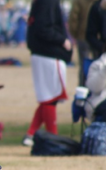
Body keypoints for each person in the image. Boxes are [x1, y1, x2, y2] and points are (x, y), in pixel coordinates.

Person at [22, 0, 72, 147]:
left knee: (47, 97)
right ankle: (53, 138)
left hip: (42, 53)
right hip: (48, 54)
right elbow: (43, 29)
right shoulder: (47, 2)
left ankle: (30, 134)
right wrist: (62, 40)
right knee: (51, 97)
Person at [69, 0, 97, 86]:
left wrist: (76, 34)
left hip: (82, 36)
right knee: (98, 64)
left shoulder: (79, 1)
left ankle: (83, 86)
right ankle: (96, 87)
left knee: (83, 65)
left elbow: (73, 19)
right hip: (97, 37)